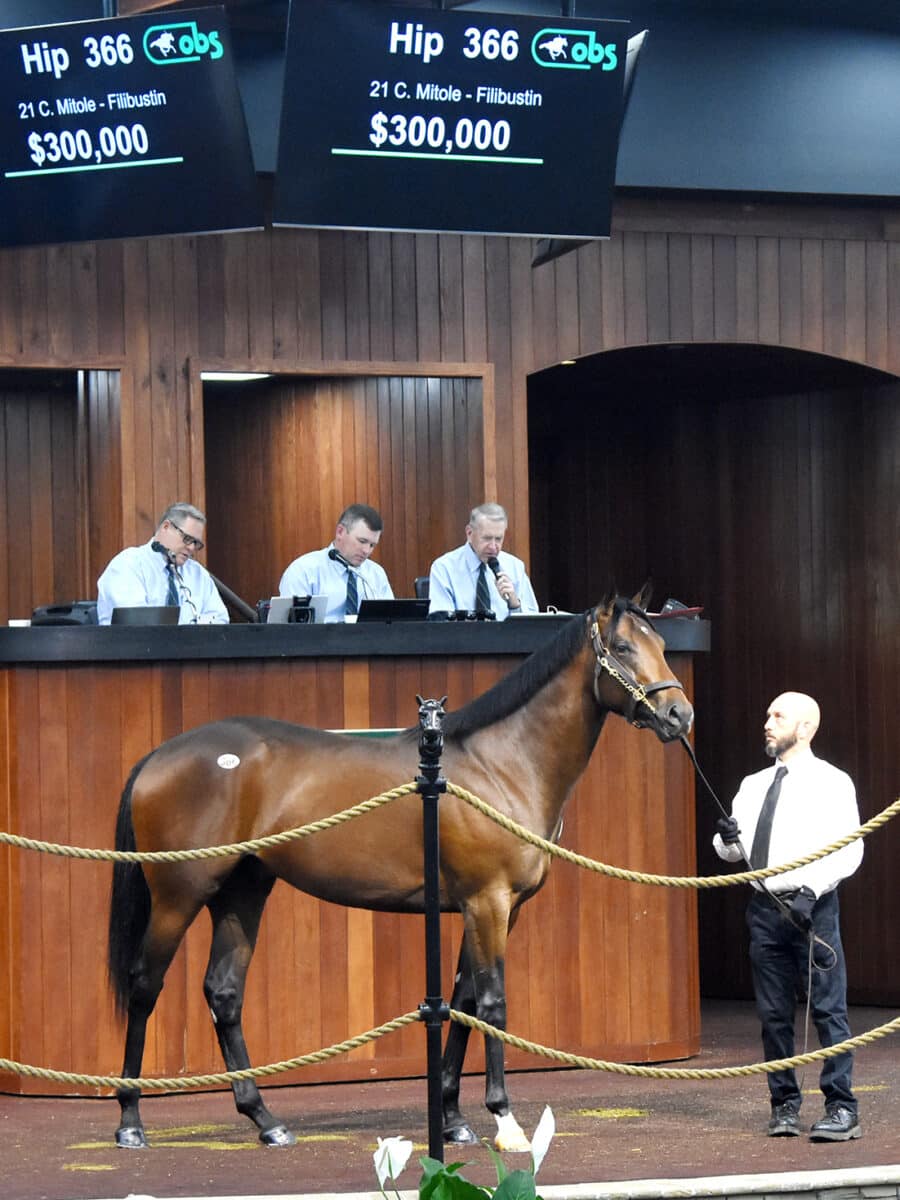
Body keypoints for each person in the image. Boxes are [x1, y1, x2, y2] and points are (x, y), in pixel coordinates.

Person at [713, 692, 863, 1142]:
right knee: (773, 1015)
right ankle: (784, 1106)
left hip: (812, 907)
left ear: (805, 728)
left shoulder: (833, 782)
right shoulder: (753, 784)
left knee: (828, 1010)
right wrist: (725, 840)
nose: (768, 721)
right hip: (764, 909)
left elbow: (851, 849)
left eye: (778, 715)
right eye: (767, 713)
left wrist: (811, 891)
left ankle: (841, 1107)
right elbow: (731, 854)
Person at [97, 502, 228, 625]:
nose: (191, 548)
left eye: (196, 543)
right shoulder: (128, 564)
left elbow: (220, 619)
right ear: (166, 527)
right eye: (187, 539)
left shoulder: (198, 574)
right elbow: (136, 623)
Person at [278, 504, 393, 623]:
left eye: (372, 545)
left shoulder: (375, 573)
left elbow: (390, 623)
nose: (367, 551)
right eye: (362, 541)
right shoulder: (304, 570)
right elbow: (291, 631)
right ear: (340, 532)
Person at [427, 502, 538, 621]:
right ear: (469, 533)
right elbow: (440, 624)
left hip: (506, 638)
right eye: (487, 538)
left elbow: (534, 624)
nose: (493, 547)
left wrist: (514, 604)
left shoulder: (515, 567)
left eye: (499, 539)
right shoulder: (444, 568)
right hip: (461, 638)